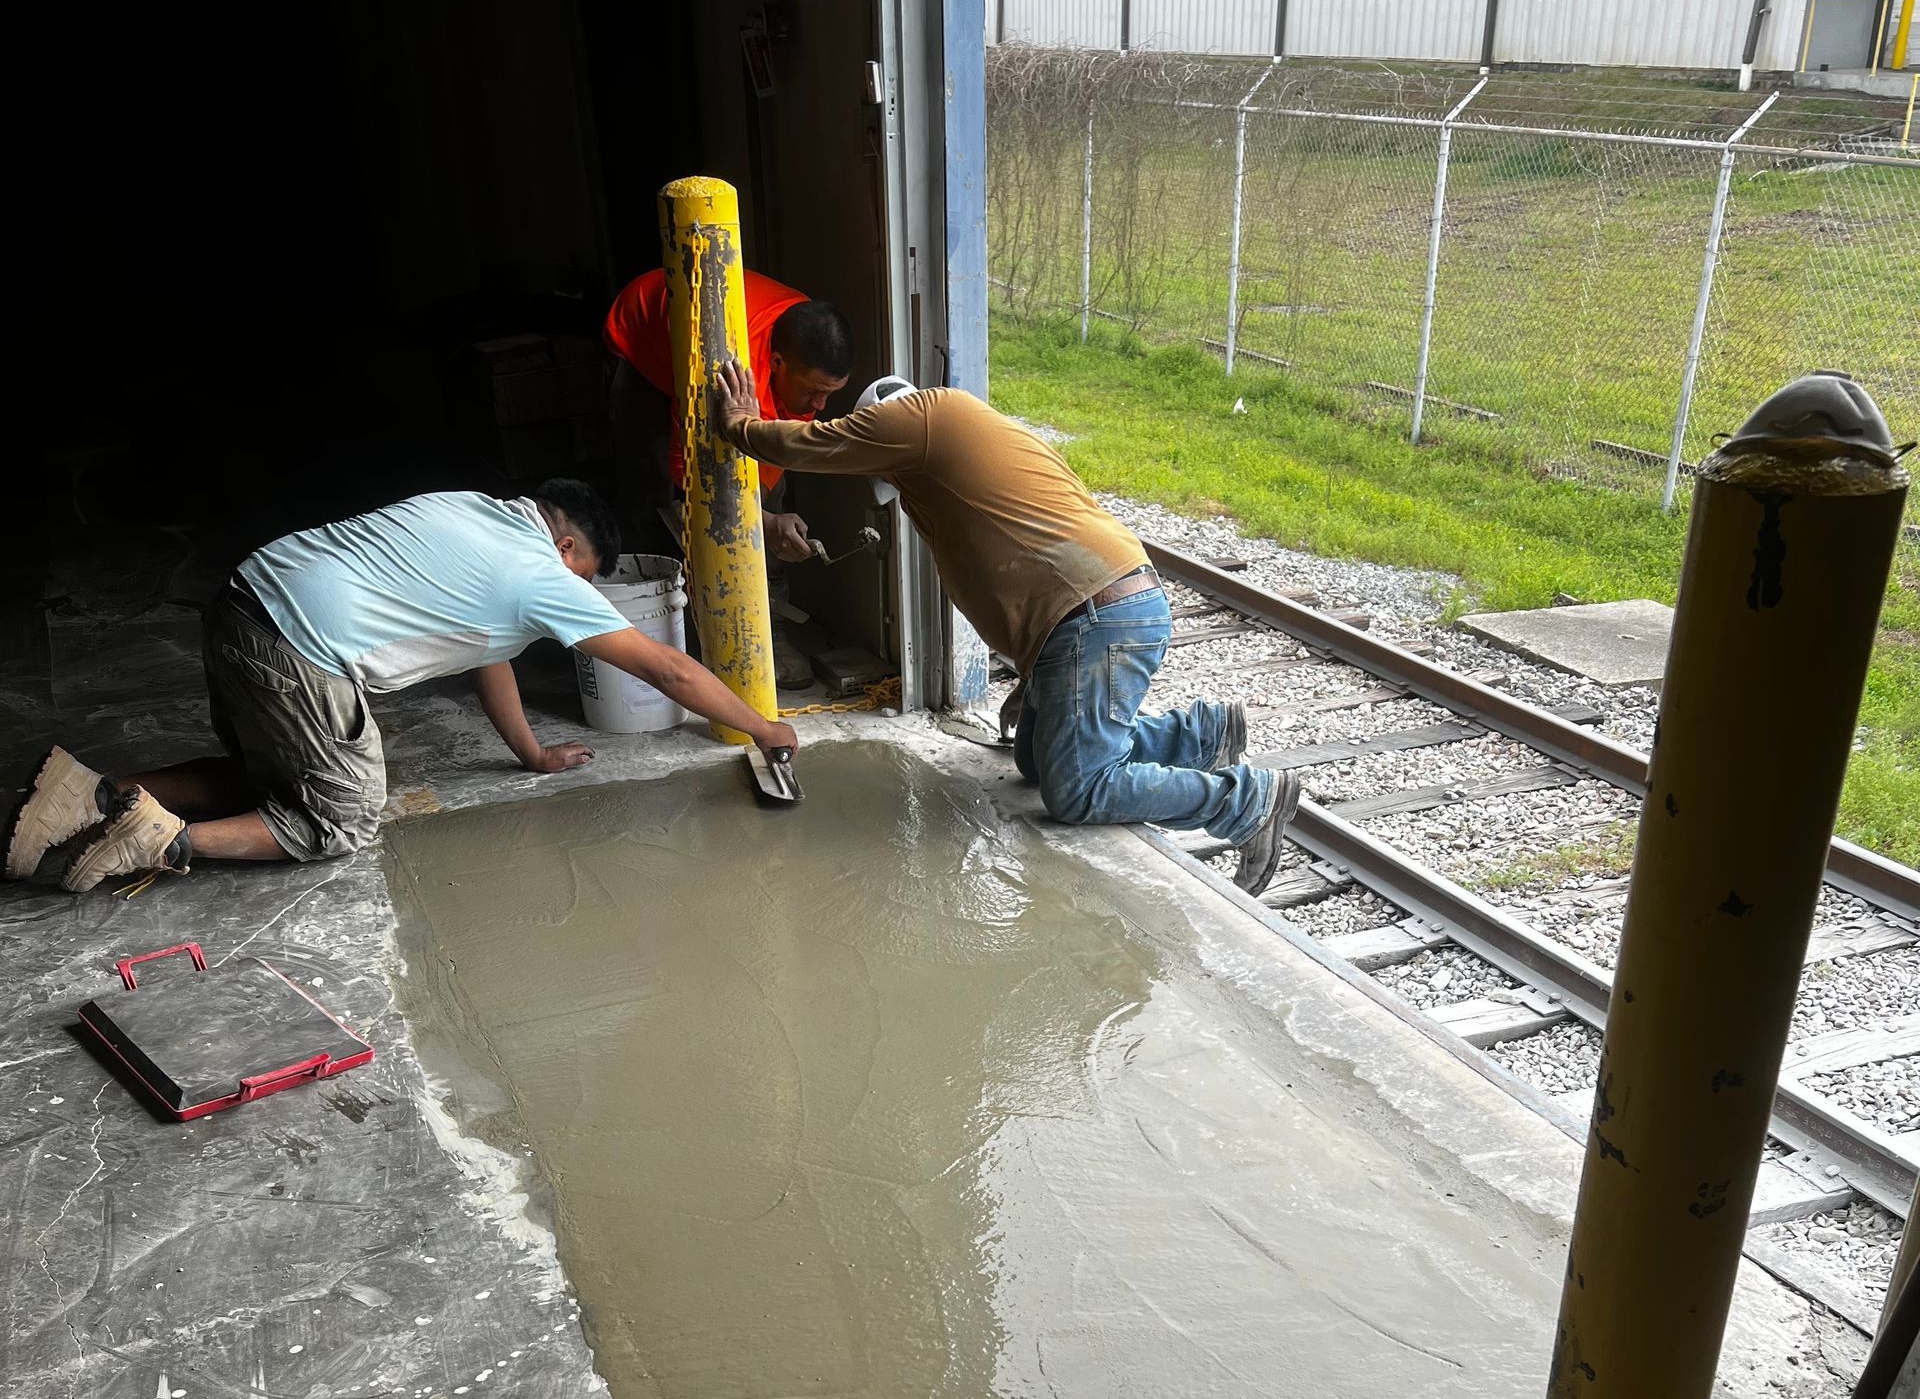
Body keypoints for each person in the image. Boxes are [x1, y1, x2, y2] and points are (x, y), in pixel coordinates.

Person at [4, 478, 799, 894]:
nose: (583, 599)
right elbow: (667, 667)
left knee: (269, 780)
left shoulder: (476, 512)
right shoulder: (539, 572)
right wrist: (765, 728)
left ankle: (95, 794)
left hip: (242, 603)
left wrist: (529, 754)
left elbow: (491, 650)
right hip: (299, 646)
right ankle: (167, 841)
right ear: (564, 545)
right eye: (585, 579)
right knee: (341, 815)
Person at [711, 365, 1299, 891]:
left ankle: (1244, 804)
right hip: (1086, 615)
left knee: (1077, 791)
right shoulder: (973, 448)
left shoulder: (924, 416)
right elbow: (1025, 570)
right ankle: (1199, 737)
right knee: (1036, 763)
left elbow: (816, 444)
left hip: (1096, 616)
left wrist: (742, 427)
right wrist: (1033, 674)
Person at [606, 270, 853, 686]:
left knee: (759, 499)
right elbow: (691, 471)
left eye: (830, 392)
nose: (821, 406)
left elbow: (772, 451)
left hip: (722, 355)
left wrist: (768, 519)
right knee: (650, 495)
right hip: (647, 338)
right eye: (814, 393)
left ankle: (765, 632)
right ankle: (668, 636)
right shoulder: (717, 366)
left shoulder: (807, 340)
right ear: (776, 364)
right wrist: (759, 519)